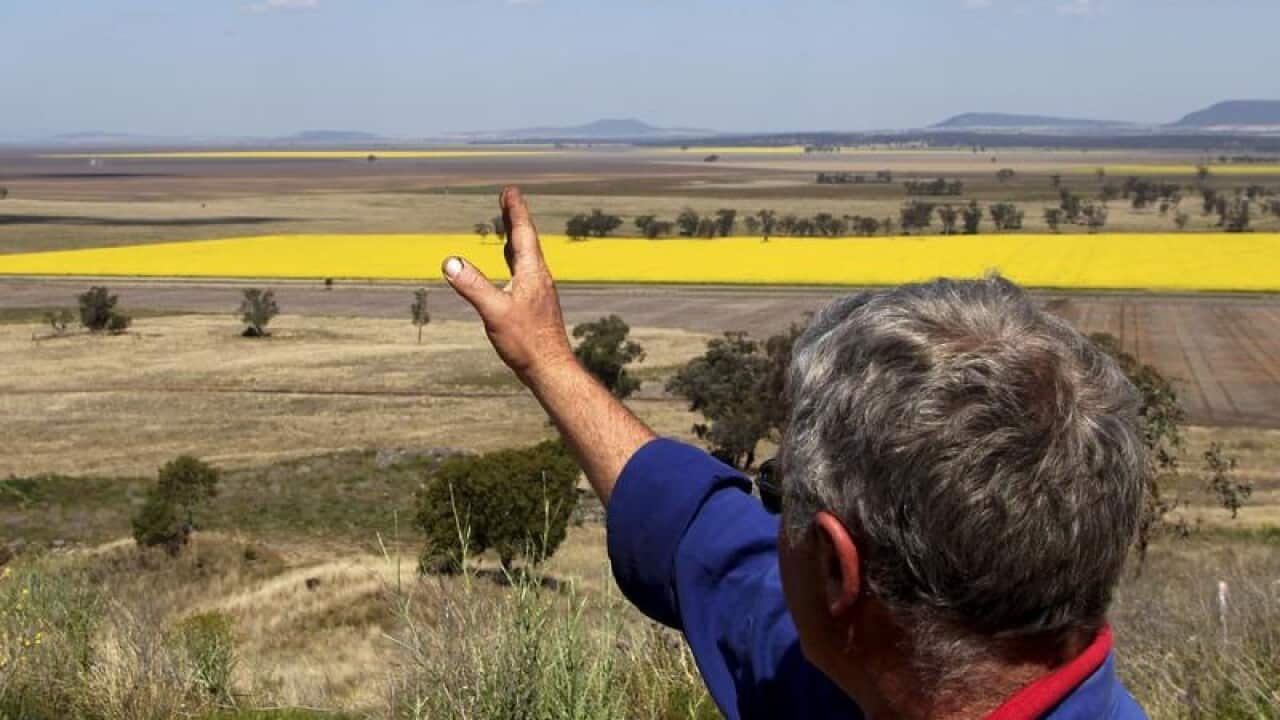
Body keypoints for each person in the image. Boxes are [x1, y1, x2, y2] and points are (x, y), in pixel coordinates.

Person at [441, 187, 1149, 720]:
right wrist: (548, 360)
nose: (768, 522)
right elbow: (700, 537)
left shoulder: (834, 675)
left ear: (841, 572)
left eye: (780, 495)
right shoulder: (871, 665)